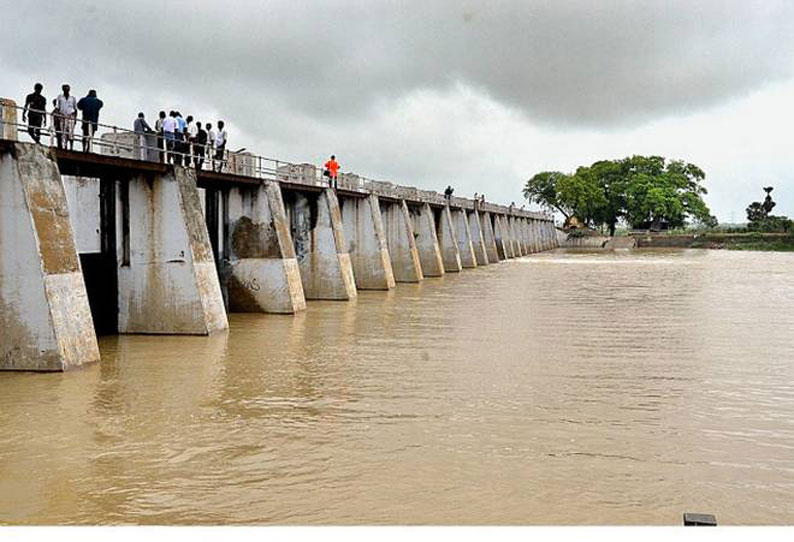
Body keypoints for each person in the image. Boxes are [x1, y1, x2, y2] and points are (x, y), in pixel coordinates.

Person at [53, 84, 77, 150]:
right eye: (65, 89)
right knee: (63, 133)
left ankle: (71, 147)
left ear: (69, 89)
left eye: (67, 89)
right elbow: (57, 107)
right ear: (63, 89)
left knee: (71, 133)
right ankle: (65, 147)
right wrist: (57, 116)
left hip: (71, 116)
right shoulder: (60, 97)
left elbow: (75, 109)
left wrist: (75, 119)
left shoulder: (72, 98)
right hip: (62, 116)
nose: (66, 90)